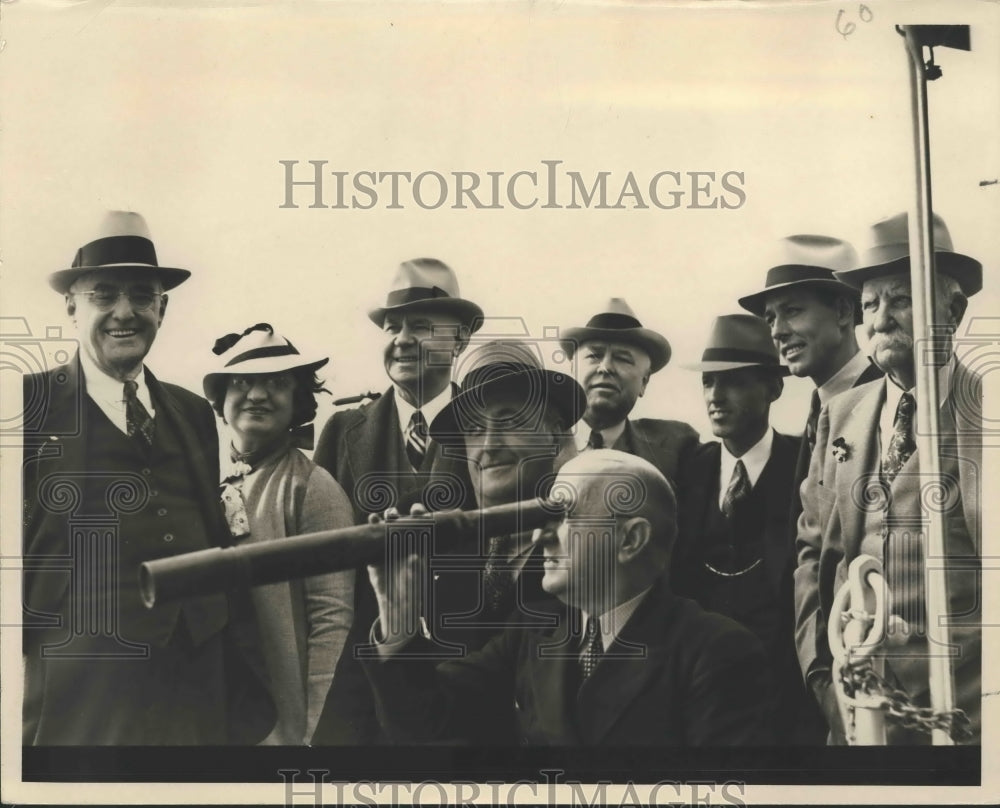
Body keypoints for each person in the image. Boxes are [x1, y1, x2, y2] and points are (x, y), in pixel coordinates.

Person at [21, 211, 271, 744]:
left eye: (141, 295)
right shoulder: (25, 407)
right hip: (83, 685)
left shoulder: (192, 410)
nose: (124, 313)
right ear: (71, 306)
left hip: (198, 678)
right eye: (103, 295)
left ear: (163, 305)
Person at [362, 450, 773, 746]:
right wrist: (399, 620)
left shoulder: (716, 652)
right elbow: (425, 726)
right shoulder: (532, 630)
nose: (541, 535)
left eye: (563, 517)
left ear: (630, 539)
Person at [795, 211, 982, 744]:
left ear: (954, 307)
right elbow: (811, 555)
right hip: (858, 719)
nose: (879, 320)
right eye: (870, 305)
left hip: (971, 727)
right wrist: (819, 676)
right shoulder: (840, 415)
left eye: (900, 299)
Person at [311, 258, 481, 744]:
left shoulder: (491, 429)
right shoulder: (343, 431)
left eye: (422, 326)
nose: (402, 339)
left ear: (462, 340)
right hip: (360, 685)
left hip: (463, 678)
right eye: (392, 327)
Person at [202, 323, 355, 744]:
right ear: (221, 397)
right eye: (242, 382)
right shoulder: (204, 480)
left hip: (279, 727)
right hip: (215, 714)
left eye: (277, 383)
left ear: (299, 402)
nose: (257, 394)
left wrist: (306, 732)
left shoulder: (312, 487)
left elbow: (332, 617)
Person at [673, 313, 809, 742]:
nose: (715, 396)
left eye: (732, 381)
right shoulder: (687, 470)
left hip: (788, 694)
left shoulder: (805, 466)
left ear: (773, 387)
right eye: (708, 383)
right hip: (701, 694)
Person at [425, 338, 584, 638]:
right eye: (473, 429)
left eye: (510, 422)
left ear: (554, 434)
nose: (488, 445)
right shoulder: (432, 544)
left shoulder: (587, 544)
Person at [738, 234, 883, 545]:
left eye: (792, 311)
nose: (777, 331)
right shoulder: (818, 410)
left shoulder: (889, 400)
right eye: (770, 318)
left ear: (843, 312)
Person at [560, 298, 697, 484]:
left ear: (644, 382)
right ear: (572, 370)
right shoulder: (537, 445)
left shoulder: (676, 448)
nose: (605, 367)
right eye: (594, 356)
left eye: (622, 358)